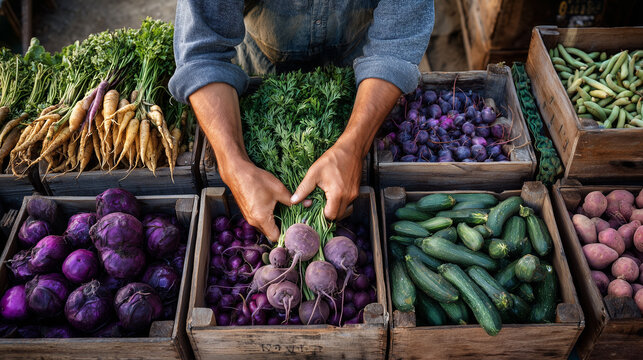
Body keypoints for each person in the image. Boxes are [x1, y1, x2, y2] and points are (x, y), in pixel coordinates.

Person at [170, 1, 434, 242]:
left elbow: (394, 47)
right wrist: (233, 164)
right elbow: (202, 54)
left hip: (361, 74)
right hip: (262, 67)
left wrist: (353, 146)